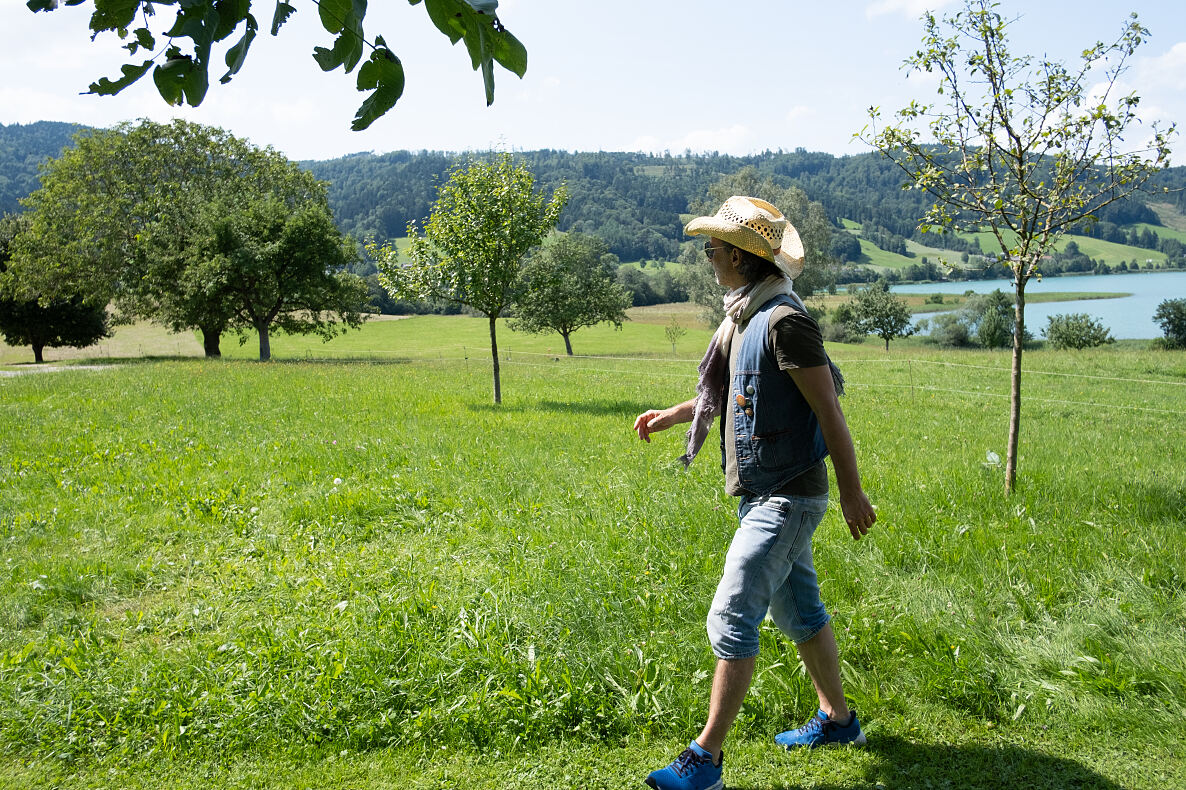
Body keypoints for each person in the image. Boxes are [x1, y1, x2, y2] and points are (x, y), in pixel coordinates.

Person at [633, 196, 877, 790]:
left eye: (714, 248)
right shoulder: (741, 319)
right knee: (798, 611)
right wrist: (674, 414)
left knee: (733, 609)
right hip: (763, 494)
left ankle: (705, 760)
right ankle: (839, 720)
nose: (708, 257)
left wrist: (852, 493)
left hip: (790, 497)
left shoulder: (784, 323)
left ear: (743, 258)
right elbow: (743, 394)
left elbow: (830, 412)